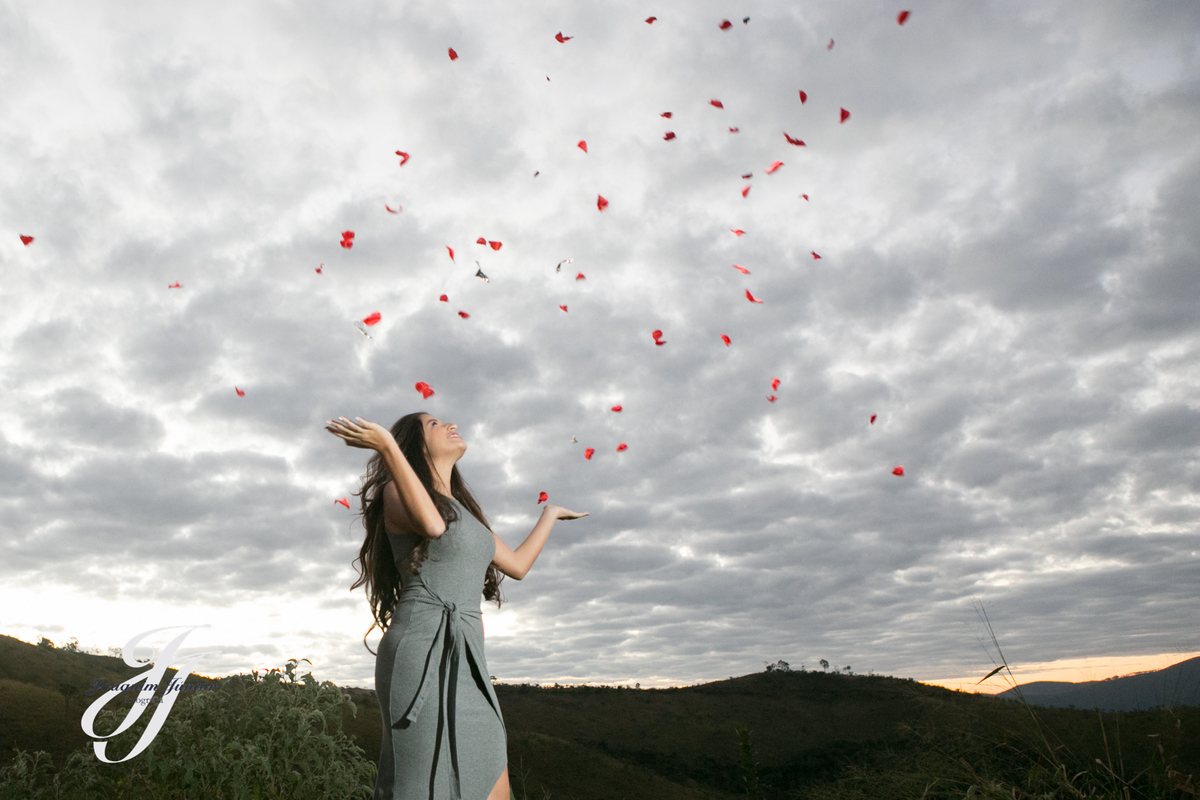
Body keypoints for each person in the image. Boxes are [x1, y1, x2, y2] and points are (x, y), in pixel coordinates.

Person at [325, 412, 587, 800]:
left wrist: (548, 515)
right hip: (421, 650)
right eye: (433, 424)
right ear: (413, 446)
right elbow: (432, 526)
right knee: (420, 785)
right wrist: (386, 447)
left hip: (469, 658)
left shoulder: (465, 514)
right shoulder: (395, 492)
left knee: (491, 768)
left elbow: (516, 565)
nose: (448, 424)